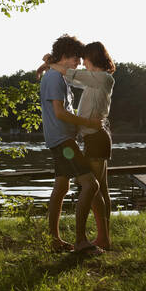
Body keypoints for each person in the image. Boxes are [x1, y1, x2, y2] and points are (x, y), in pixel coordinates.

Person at [41, 41, 115, 250]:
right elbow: (61, 107)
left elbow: (69, 74)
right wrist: (49, 64)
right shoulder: (88, 79)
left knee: (93, 188)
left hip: (91, 138)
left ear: (92, 58)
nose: (80, 62)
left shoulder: (100, 78)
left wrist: (48, 62)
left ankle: (96, 239)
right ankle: (94, 239)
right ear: (65, 54)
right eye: (76, 58)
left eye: (83, 59)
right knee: (91, 188)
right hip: (72, 139)